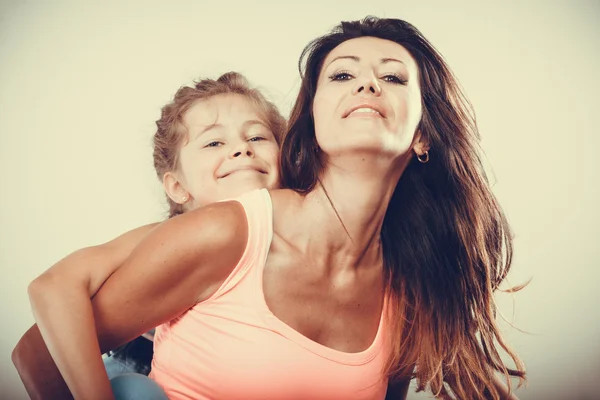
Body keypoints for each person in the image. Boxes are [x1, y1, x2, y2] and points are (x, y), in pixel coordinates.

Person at [16, 16, 527, 400]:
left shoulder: (411, 289)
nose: (368, 85)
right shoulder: (226, 231)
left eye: (393, 78)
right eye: (342, 76)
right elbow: (39, 352)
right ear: (311, 122)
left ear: (421, 136)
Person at [12, 71, 285, 399]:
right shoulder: (166, 237)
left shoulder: (302, 244)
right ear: (177, 187)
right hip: (133, 371)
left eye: (257, 137)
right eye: (214, 142)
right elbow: (50, 289)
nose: (242, 149)